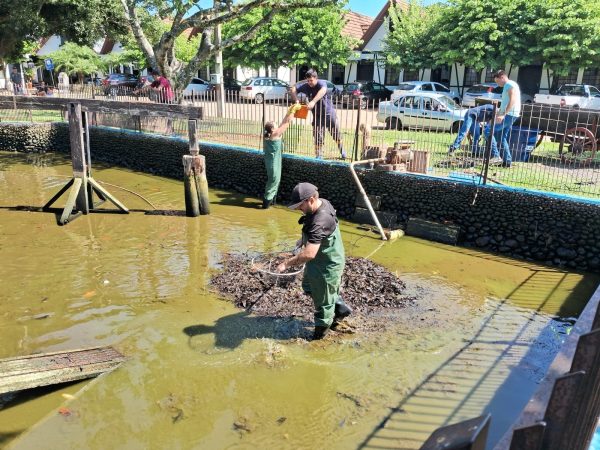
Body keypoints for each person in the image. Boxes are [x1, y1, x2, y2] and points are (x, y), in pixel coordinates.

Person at [276, 183, 352, 340]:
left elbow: (309, 254)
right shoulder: (321, 202)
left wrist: (286, 264)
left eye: (300, 206)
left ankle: (319, 336)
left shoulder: (320, 220)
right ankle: (340, 308)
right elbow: (316, 233)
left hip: (327, 264)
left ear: (310, 200)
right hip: (318, 259)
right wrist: (303, 239)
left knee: (323, 304)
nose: (298, 209)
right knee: (308, 286)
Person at [291, 69, 346, 160]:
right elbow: (293, 88)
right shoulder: (306, 86)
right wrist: (296, 100)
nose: (309, 82)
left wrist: (313, 102)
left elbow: (323, 90)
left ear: (316, 78)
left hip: (329, 113)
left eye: (311, 80)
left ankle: (342, 151)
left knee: (336, 134)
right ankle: (319, 155)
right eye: (308, 80)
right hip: (317, 116)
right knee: (317, 136)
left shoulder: (321, 83)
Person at [262, 104, 301, 209]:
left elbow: (283, 122)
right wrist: (292, 112)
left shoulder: (271, 134)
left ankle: (271, 204)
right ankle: (265, 207)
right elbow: (287, 123)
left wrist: (289, 112)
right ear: (273, 130)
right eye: (275, 125)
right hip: (274, 165)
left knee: (275, 183)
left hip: (274, 163)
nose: (278, 126)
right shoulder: (275, 135)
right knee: (272, 184)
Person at [492, 70, 521, 168]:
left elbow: (513, 100)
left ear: (502, 77)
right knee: (501, 137)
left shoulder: (509, 84)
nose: (497, 84)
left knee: (488, 131)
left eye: (497, 81)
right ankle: (507, 162)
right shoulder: (509, 85)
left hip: (509, 115)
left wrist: (503, 114)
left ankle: (496, 156)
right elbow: (506, 102)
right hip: (511, 114)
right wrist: (499, 112)